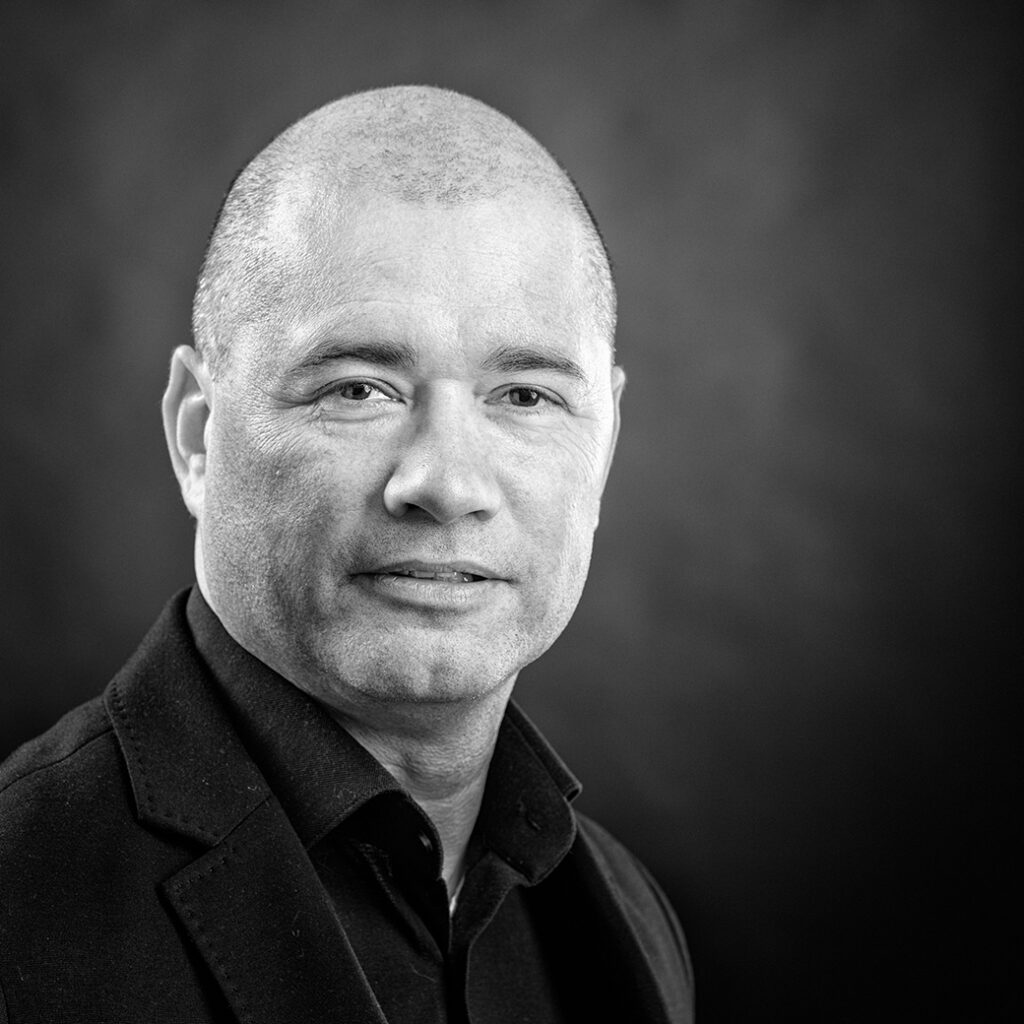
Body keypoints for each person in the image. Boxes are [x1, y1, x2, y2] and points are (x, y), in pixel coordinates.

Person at [0, 86, 693, 1023]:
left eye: (525, 396)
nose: (446, 483)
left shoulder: (630, 918)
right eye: (359, 388)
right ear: (197, 435)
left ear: (602, 446)